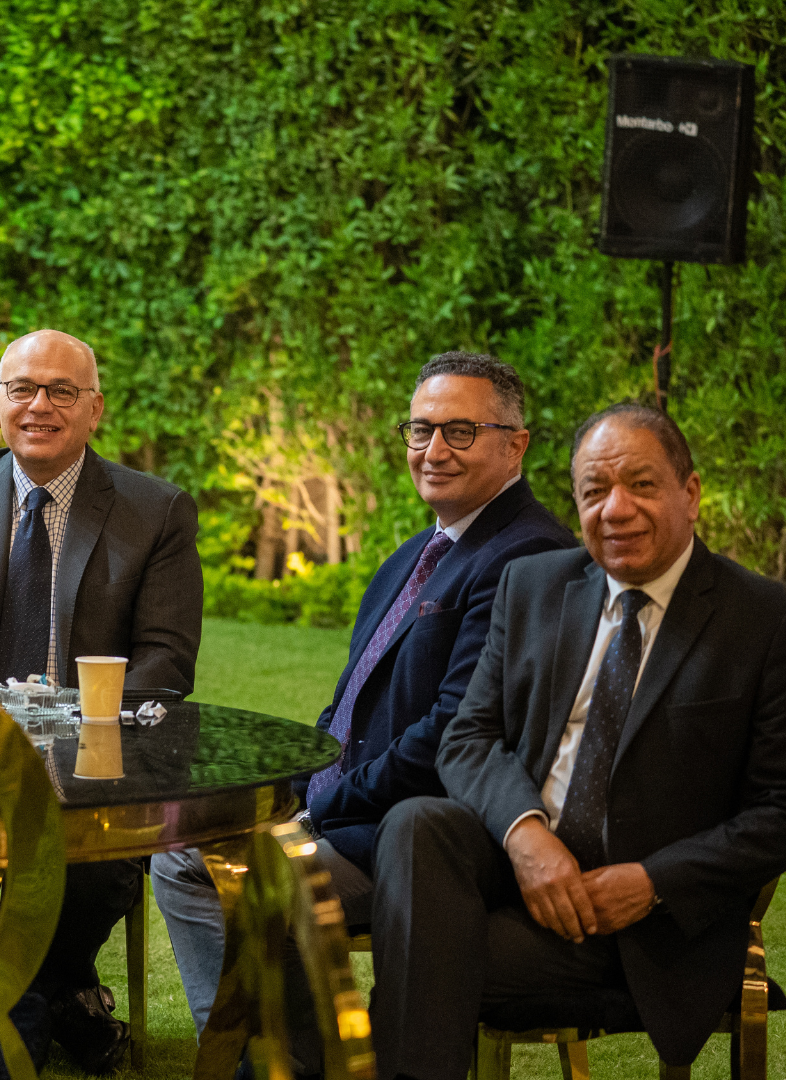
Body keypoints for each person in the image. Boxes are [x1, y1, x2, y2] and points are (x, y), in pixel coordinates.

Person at [371, 403, 786, 1079]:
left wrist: (652, 882)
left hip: (643, 922)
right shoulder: (534, 585)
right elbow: (468, 736)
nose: (616, 509)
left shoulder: (765, 620)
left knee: (422, 951)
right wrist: (526, 836)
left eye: (641, 485)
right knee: (417, 824)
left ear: (690, 493)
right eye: (595, 491)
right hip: (520, 870)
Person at [148, 352, 575, 1043]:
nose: (433, 450)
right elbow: (345, 708)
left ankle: (275, 1058)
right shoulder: (414, 555)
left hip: (424, 838)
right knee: (188, 844)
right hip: (354, 812)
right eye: (420, 430)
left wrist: (320, 807)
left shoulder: (528, 558)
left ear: (515, 444)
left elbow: (454, 733)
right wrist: (289, 790)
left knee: (216, 874)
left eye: (460, 432)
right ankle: (293, 1055)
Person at [0, 328, 202, 1073]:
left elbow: (165, 664)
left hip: (92, 769)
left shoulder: (154, 510)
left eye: (62, 391)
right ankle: (59, 996)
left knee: (95, 868)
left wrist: (68, 733)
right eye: (22, 388)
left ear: (95, 409)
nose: (40, 406)